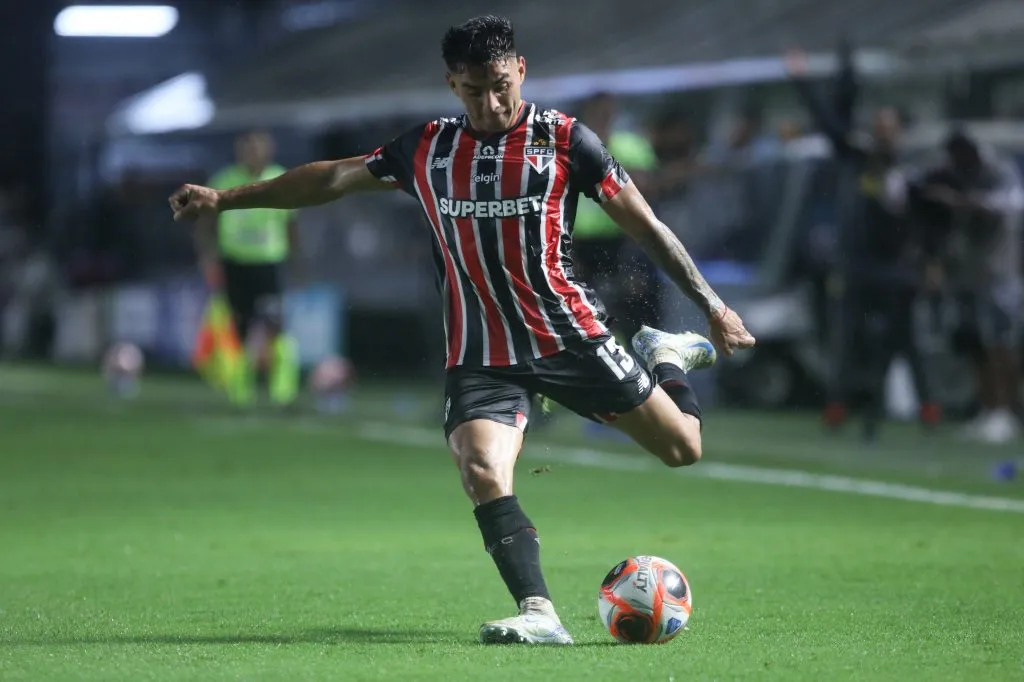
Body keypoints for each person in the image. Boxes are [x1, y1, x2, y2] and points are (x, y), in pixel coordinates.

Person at [169, 15, 755, 645]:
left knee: (682, 449)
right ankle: (539, 612)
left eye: (501, 84)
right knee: (480, 469)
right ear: (453, 85)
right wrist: (227, 199)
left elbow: (647, 227)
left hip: (569, 335)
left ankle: (664, 356)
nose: (491, 101)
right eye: (474, 90)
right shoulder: (427, 148)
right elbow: (331, 178)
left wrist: (712, 307)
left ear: (520, 70)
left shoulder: (565, 141)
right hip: (480, 354)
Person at [786, 42, 940, 440]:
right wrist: (806, 79)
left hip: (898, 270)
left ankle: (927, 408)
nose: (883, 133)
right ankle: (838, 406)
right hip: (857, 266)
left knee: (905, 340)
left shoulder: (911, 174)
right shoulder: (858, 158)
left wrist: (928, 262)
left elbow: (928, 223)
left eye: (890, 127)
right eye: (880, 127)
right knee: (848, 337)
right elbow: (829, 120)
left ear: (900, 132)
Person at [913, 130, 1024, 443]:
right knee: (974, 343)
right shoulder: (953, 174)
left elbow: (1007, 207)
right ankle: (988, 409)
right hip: (967, 273)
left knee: (1000, 343)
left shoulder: (998, 172)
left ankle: (1006, 411)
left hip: (999, 272)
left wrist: (958, 201)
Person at [195, 131, 301, 408]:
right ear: (239, 151)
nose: (253, 153)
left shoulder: (283, 179)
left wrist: (297, 263)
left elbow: (291, 225)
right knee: (239, 327)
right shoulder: (225, 181)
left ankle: (282, 390)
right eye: (247, 148)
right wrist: (208, 256)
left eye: (258, 147)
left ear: (269, 150)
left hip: (270, 264)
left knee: (275, 325)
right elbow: (206, 222)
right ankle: (241, 390)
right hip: (235, 263)